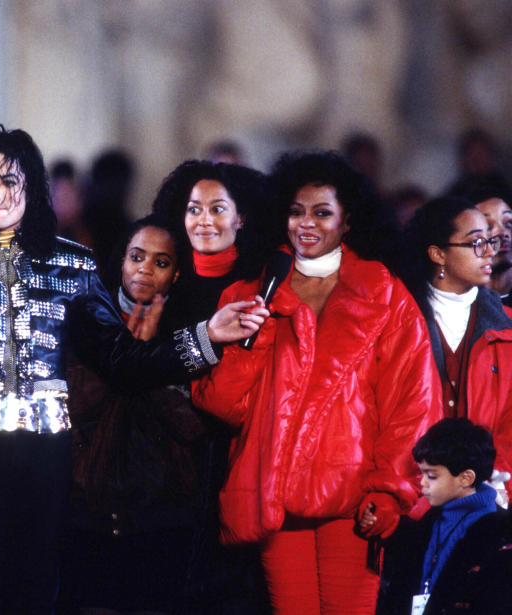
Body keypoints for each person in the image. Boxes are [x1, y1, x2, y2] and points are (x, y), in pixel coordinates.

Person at [0, 126, 268, 615]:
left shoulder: (71, 266)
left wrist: (207, 336)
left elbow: (123, 361)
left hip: (48, 461)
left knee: (33, 594)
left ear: (31, 186)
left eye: (8, 181)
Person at [190, 151, 440, 615]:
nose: (306, 223)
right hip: (275, 498)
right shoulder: (251, 292)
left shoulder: (385, 294)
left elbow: (413, 404)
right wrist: (254, 342)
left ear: (347, 222)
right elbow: (222, 405)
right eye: (296, 211)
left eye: (322, 212)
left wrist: (391, 491)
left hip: (355, 501)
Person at [58, 214, 211, 614]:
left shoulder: (185, 331)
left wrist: (151, 362)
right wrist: (131, 357)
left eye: (161, 262)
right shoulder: (87, 319)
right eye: (137, 257)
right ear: (121, 261)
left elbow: (193, 425)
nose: (145, 268)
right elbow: (81, 404)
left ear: (176, 274)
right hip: (87, 508)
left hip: (161, 515)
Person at [151, 159, 272, 614]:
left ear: (241, 217)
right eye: (194, 209)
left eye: (218, 209)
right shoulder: (167, 281)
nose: (204, 220)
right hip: (171, 456)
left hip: (240, 451)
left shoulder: (265, 283)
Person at [399, 196, 512, 507]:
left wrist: (497, 482)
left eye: (491, 241)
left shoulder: (507, 327)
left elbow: (509, 427)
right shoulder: (401, 318)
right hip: (412, 493)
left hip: (486, 496)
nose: (491, 251)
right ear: (438, 254)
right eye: (477, 243)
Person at [372, 418, 512, 615]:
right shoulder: (429, 522)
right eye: (422, 474)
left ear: (466, 478)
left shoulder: (500, 534)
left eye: (432, 476)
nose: (423, 484)